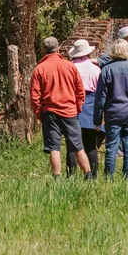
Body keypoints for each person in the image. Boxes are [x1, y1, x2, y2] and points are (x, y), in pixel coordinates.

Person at [29, 37, 91, 179]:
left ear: (43, 50)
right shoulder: (70, 66)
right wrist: (78, 108)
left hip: (49, 112)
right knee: (78, 146)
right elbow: (80, 91)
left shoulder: (39, 69)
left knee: (54, 147)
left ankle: (57, 178)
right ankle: (88, 175)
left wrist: (39, 113)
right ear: (58, 49)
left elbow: (34, 96)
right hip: (70, 111)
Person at [93, 39, 128, 179]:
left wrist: (97, 118)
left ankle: (109, 178)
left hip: (113, 112)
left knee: (111, 146)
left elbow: (101, 97)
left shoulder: (106, 70)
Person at [68, 39, 102, 178]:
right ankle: (92, 175)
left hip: (73, 104)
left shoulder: (70, 68)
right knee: (90, 144)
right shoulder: (95, 69)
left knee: (72, 145)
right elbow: (100, 91)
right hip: (90, 107)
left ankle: (70, 174)